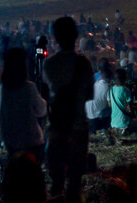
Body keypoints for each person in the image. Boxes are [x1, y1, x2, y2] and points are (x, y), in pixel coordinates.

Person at [40, 15, 93, 203]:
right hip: (78, 127)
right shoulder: (84, 64)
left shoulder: (49, 64)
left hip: (56, 128)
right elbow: (89, 95)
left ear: (55, 37)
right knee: (75, 183)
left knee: (56, 182)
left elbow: (45, 96)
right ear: (76, 35)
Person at [0, 46, 47, 161]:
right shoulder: (29, 87)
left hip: (11, 140)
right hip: (30, 139)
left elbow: (1, 114)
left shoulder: (3, 88)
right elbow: (41, 110)